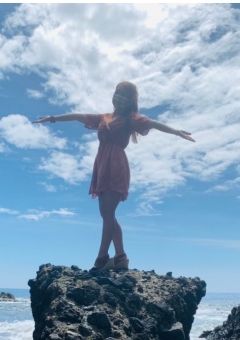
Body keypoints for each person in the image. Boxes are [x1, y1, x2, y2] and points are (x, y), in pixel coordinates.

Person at [34, 81, 195, 270]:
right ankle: (120, 257)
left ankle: (102, 256)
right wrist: (53, 118)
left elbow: (152, 123)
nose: (118, 98)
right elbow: (79, 116)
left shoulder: (131, 119)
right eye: (117, 94)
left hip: (116, 165)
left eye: (123, 96)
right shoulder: (104, 117)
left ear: (129, 102)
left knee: (108, 212)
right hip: (102, 165)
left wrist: (176, 131)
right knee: (106, 213)